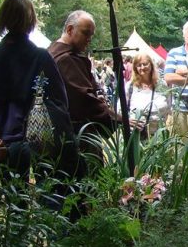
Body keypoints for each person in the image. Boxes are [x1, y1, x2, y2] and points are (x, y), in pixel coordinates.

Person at [0, 0, 76, 180]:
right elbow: (60, 101)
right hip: (39, 137)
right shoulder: (40, 57)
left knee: (15, 201)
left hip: (4, 137)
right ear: (30, 19)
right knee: (48, 197)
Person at [48, 11, 134, 148]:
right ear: (70, 29)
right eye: (85, 33)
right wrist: (119, 119)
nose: (89, 39)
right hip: (74, 136)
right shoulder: (66, 59)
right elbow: (84, 100)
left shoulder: (57, 54)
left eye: (91, 35)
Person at [128, 52, 169, 139]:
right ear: (135, 68)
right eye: (139, 65)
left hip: (159, 136)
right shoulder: (130, 87)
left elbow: (169, 105)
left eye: (145, 64)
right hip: (137, 137)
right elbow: (120, 110)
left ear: (151, 65)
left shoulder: (162, 85)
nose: (142, 67)